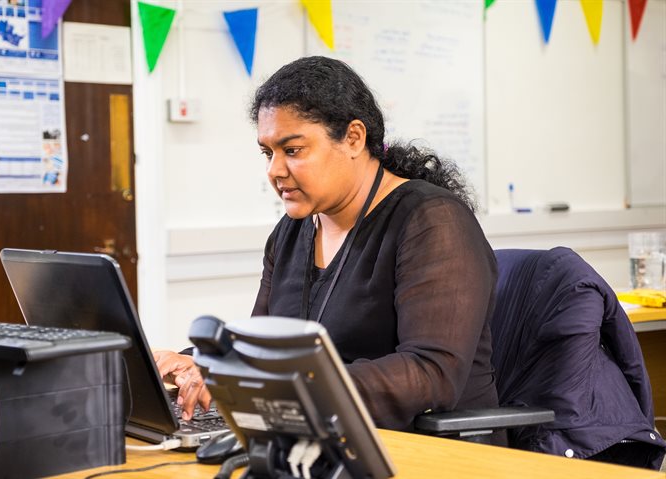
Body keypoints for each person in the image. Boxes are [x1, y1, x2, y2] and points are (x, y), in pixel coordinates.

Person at [154, 56, 499, 433]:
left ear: (353, 138)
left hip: (424, 450)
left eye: (293, 150)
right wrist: (200, 364)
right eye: (268, 153)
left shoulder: (432, 221)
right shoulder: (292, 232)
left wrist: (284, 388)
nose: (274, 170)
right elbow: (261, 350)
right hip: (318, 438)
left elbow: (431, 373)